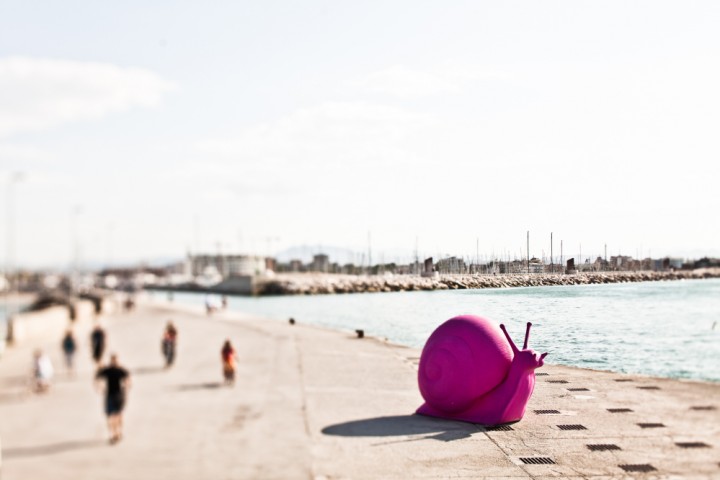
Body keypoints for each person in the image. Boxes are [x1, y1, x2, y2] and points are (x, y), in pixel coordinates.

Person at [95, 354, 130, 444]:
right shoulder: (115, 370)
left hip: (117, 395)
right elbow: (98, 377)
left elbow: (127, 381)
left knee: (116, 416)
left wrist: (99, 386)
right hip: (113, 395)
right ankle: (115, 433)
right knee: (113, 416)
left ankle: (117, 432)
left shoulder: (118, 370)